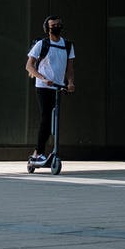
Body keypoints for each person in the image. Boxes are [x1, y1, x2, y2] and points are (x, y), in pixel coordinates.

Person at [25, 15, 75, 162]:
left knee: (54, 120)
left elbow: (70, 68)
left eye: (59, 24)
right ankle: (38, 153)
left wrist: (70, 82)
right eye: (53, 25)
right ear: (47, 29)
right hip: (43, 86)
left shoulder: (67, 45)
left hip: (58, 87)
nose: (56, 27)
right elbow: (29, 66)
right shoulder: (42, 44)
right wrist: (43, 78)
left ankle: (46, 151)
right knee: (46, 118)